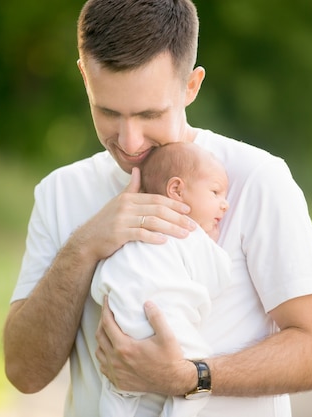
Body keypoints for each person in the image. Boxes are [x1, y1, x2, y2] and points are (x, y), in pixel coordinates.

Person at [3, 0, 312, 416]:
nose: (129, 142)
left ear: (191, 86)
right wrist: (84, 247)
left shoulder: (257, 179)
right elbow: (24, 372)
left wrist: (191, 376)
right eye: (108, 112)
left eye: (150, 114)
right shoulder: (60, 192)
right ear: (84, 76)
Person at [91, 142, 232, 417]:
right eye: (215, 192)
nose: (224, 204)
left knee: (117, 390)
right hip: (165, 328)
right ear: (176, 190)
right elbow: (218, 281)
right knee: (195, 376)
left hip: (120, 326)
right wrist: (212, 245)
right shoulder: (190, 232)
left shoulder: (131, 230)